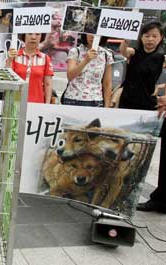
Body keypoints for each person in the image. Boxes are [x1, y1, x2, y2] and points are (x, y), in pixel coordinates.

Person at [118, 21, 166, 213]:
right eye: (147, 35)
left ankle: (134, 185)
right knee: (124, 145)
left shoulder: (162, 58)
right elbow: (123, 51)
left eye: (155, 36)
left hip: (148, 108)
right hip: (127, 103)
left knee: (142, 149)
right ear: (141, 37)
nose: (150, 39)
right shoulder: (134, 53)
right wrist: (123, 36)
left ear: (161, 38)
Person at [62, 34, 113, 107]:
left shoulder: (106, 54)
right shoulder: (75, 51)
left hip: (96, 101)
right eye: (90, 33)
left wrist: (107, 106)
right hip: (73, 100)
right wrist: (86, 60)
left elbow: (107, 83)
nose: (93, 36)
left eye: (97, 34)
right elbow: (70, 76)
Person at [6, 33, 54, 103]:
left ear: (41, 37)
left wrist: (47, 104)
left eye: (37, 34)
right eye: (30, 34)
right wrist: (10, 60)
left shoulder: (45, 58)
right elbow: (8, 79)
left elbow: (48, 84)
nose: (33, 37)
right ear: (24, 35)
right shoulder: (14, 56)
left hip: (37, 103)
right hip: (15, 102)